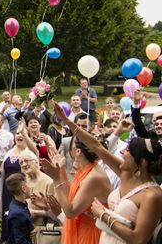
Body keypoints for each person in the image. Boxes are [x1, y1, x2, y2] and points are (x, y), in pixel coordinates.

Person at [53, 102, 162, 244]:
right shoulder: (126, 174)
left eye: (128, 150)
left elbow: (139, 239)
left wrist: (104, 216)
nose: (122, 151)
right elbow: (96, 146)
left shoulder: (152, 195)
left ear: (141, 162)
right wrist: (67, 121)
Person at [41, 130, 111, 244]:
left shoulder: (94, 177)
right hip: (79, 229)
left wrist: (56, 178)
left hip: (90, 234)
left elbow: (70, 212)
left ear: (78, 151)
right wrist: (61, 169)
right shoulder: (85, 169)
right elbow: (71, 198)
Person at [17, 150, 54, 222]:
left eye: (27, 160)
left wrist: (35, 212)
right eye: (21, 163)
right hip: (26, 225)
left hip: (43, 228)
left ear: (36, 162)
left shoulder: (49, 182)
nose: (24, 164)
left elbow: (56, 212)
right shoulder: (24, 181)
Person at [5, 173, 33, 244]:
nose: (30, 187)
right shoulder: (18, 214)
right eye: (28, 185)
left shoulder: (17, 204)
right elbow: (20, 241)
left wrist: (31, 228)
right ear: (24, 189)